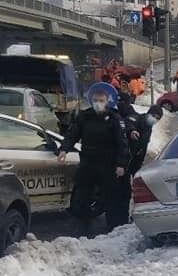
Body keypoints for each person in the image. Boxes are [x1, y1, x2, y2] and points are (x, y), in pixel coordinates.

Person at [57, 85, 129, 235]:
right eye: (95, 100)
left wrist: (121, 164)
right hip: (88, 162)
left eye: (101, 100)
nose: (98, 102)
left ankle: (113, 229)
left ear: (107, 101)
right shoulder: (85, 116)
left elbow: (122, 144)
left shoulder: (114, 118)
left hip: (108, 164)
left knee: (110, 197)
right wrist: (64, 149)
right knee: (82, 194)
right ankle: (82, 228)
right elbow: (72, 134)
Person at [112, 105, 161, 226]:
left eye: (157, 118)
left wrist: (138, 169)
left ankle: (129, 218)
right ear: (148, 114)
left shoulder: (148, 128)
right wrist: (131, 131)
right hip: (121, 162)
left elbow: (142, 149)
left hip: (134, 163)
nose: (154, 119)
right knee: (121, 192)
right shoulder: (136, 118)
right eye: (153, 116)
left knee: (137, 190)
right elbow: (128, 124)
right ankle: (118, 221)